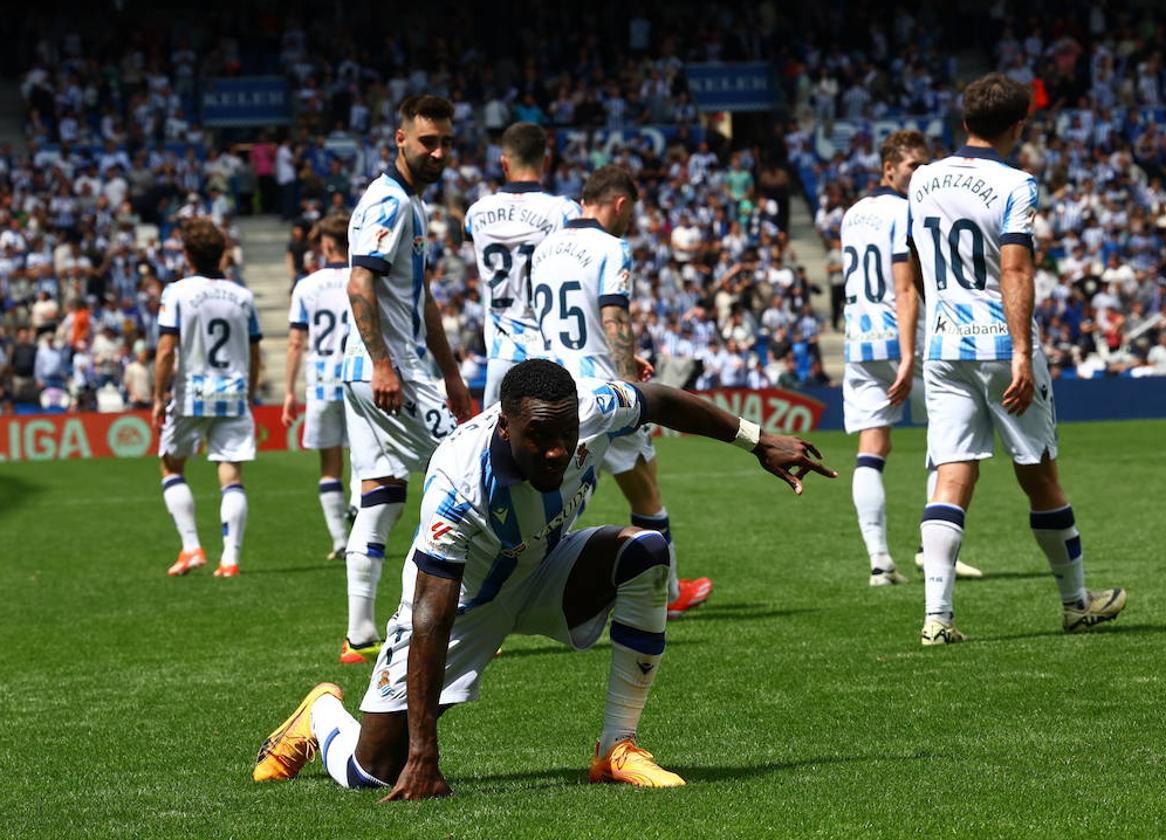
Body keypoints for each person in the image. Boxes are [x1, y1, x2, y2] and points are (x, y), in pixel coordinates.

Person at [252, 359, 837, 797]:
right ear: (504, 428)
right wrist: (425, 753)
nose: (557, 452)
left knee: (646, 553)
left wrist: (757, 440)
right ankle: (320, 716)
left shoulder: (590, 409)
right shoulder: (458, 480)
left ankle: (616, 748)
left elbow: (658, 400)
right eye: (539, 438)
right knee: (370, 773)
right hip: (464, 606)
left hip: (544, 568)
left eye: (565, 436)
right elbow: (432, 614)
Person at [906, 73, 1126, 645]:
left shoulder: (923, 178)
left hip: (945, 345)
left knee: (951, 475)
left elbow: (918, 260)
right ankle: (1077, 603)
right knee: (1039, 475)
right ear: (1019, 125)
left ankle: (937, 617)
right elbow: (1016, 269)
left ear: (964, 122)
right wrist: (1023, 351)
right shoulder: (1016, 184)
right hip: (1001, 344)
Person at [530, 164, 711, 618]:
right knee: (646, 487)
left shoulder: (545, 249)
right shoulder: (612, 247)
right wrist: (631, 383)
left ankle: (500, 596)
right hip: (602, 390)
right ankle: (666, 596)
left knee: (547, 504)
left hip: (554, 385)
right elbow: (613, 316)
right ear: (620, 204)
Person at [339, 95, 474, 664]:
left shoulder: (412, 206)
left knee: (383, 494)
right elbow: (358, 285)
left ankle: (359, 634)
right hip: (386, 372)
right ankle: (457, 620)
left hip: (372, 372)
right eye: (428, 142)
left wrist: (454, 377)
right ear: (400, 139)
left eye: (446, 143)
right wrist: (383, 364)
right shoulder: (390, 202)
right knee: (468, 478)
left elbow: (422, 302)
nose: (439, 153)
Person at [839, 130, 984, 586]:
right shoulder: (909, 210)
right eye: (912, 166)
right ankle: (931, 550)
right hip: (910, 343)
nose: (920, 173)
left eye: (925, 164)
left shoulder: (852, 214)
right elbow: (905, 287)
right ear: (888, 169)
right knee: (952, 444)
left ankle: (880, 561)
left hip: (861, 342)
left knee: (872, 450)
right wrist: (907, 354)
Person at [154, 217, 262, 578]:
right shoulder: (242, 295)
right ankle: (230, 559)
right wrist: (249, 390)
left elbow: (166, 350)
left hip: (191, 392)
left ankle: (191, 547)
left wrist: (157, 395)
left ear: (187, 254)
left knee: (171, 465)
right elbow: (255, 350)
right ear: (222, 255)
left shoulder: (177, 292)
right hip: (232, 392)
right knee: (230, 475)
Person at [463, 122, 580, 407]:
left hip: (502, 355)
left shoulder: (477, 213)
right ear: (547, 160)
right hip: (551, 352)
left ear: (504, 163)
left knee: (495, 447)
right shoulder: (564, 212)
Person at [283, 212, 355, 561]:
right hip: (359, 379)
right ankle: (358, 505)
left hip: (323, 383)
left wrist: (287, 393)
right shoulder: (365, 278)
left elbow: (296, 342)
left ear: (326, 245)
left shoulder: (307, 285)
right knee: (365, 456)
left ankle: (340, 540)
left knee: (329, 462)